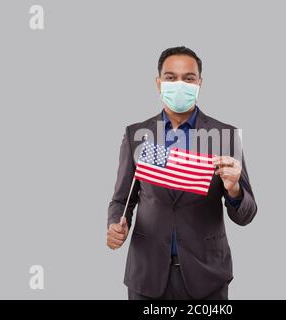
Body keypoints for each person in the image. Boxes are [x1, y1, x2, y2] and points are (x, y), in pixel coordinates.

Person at [107, 46, 257, 300]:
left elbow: (246, 215)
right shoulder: (137, 135)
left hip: (207, 276)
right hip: (147, 274)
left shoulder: (225, 136)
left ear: (199, 83)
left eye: (188, 78)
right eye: (170, 77)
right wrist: (115, 224)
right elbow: (122, 199)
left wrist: (234, 190)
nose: (179, 84)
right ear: (158, 83)